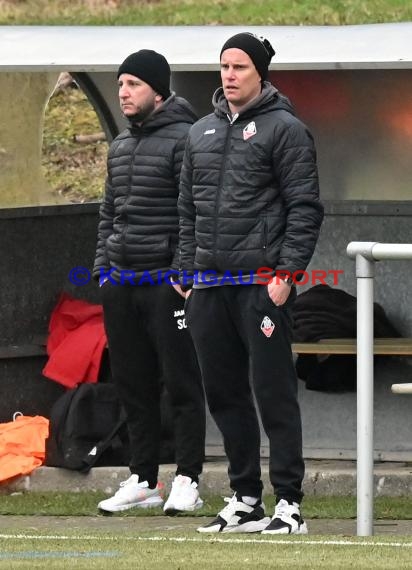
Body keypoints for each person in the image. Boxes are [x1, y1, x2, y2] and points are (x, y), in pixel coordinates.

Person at [178, 33, 324, 533]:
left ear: (260, 71)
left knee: (273, 391)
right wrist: (187, 273)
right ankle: (244, 498)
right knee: (224, 395)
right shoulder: (199, 133)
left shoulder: (286, 130)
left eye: (239, 66)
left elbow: (305, 209)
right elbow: (186, 212)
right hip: (209, 290)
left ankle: (289, 505)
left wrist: (286, 276)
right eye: (223, 66)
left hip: (262, 286)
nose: (229, 75)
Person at [93, 49, 205, 515]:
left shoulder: (188, 139)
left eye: (133, 84)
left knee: (181, 382)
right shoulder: (119, 145)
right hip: (122, 282)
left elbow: (194, 213)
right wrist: (103, 270)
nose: (123, 93)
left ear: (158, 90)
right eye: (120, 84)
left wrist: (182, 272)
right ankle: (143, 478)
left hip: (166, 282)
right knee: (132, 383)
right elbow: (107, 215)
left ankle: (188, 478)